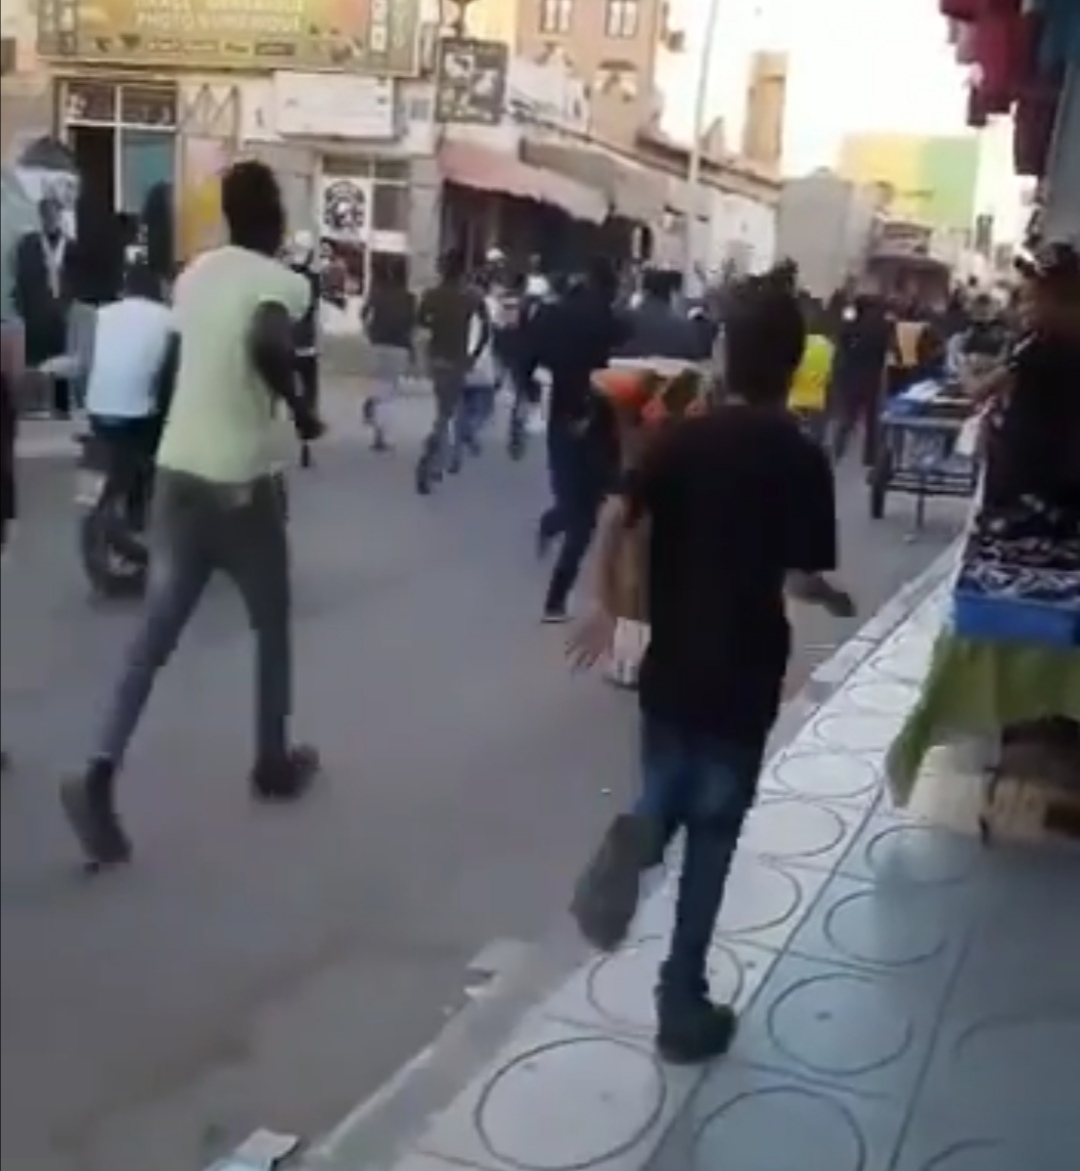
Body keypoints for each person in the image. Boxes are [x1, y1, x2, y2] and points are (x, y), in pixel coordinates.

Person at [566, 273, 854, 1064]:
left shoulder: (681, 440)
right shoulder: (802, 458)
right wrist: (830, 596)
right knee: (715, 836)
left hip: (670, 664)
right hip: (743, 674)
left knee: (668, 775)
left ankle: (644, 824)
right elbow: (800, 574)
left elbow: (622, 514)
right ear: (793, 366)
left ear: (726, 356)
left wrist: (609, 603)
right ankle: (681, 1001)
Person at [60, 160, 325, 869]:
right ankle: (272, 761)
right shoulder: (282, 282)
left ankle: (98, 770)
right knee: (271, 623)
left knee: (153, 637)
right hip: (241, 480)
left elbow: (180, 363)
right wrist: (300, 409)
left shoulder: (195, 276)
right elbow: (268, 341)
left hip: (177, 471)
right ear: (274, 217)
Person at [523, 257, 627, 621]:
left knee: (574, 506)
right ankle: (556, 594)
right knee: (588, 511)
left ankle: (554, 528)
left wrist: (528, 393)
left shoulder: (553, 315)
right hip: (602, 424)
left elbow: (529, 358)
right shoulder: (615, 325)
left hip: (563, 418)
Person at [83, 262, 177, 528]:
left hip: (97, 407)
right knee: (147, 454)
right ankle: (137, 513)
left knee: (111, 453)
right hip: (141, 413)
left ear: (125, 289)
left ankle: (101, 504)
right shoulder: (168, 318)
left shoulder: (101, 314)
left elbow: (87, 360)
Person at [415, 249, 489, 493]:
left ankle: (441, 457)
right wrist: (474, 355)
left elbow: (421, 323)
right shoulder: (471, 296)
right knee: (449, 412)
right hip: (458, 359)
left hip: (437, 358)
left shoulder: (432, 295)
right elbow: (486, 329)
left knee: (444, 409)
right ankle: (436, 456)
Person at [13, 196, 74, 417]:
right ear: (40, 216)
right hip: (36, 313)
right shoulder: (28, 245)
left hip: (63, 312)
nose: (51, 218)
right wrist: (23, 309)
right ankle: (35, 405)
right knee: (36, 360)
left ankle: (61, 406)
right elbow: (22, 280)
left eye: (54, 213)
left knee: (62, 360)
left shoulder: (71, 246)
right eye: (46, 214)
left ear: (60, 215)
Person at [361, 255, 416, 452]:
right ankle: (380, 435)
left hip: (378, 343)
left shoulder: (377, 293)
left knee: (380, 386)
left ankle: (374, 412)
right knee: (389, 392)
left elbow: (363, 314)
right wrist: (412, 351)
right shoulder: (409, 298)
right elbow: (411, 325)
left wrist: (369, 332)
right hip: (399, 346)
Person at [288, 230, 320, 468]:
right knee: (309, 392)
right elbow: (315, 310)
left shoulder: (281, 277)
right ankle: (305, 440)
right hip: (306, 344)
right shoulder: (314, 280)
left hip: (283, 343)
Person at [788, 300, 834, 443]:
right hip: (817, 399)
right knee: (816, 437)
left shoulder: (794, 342)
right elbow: (830, 376)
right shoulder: (829, 346)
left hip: (795, 398)